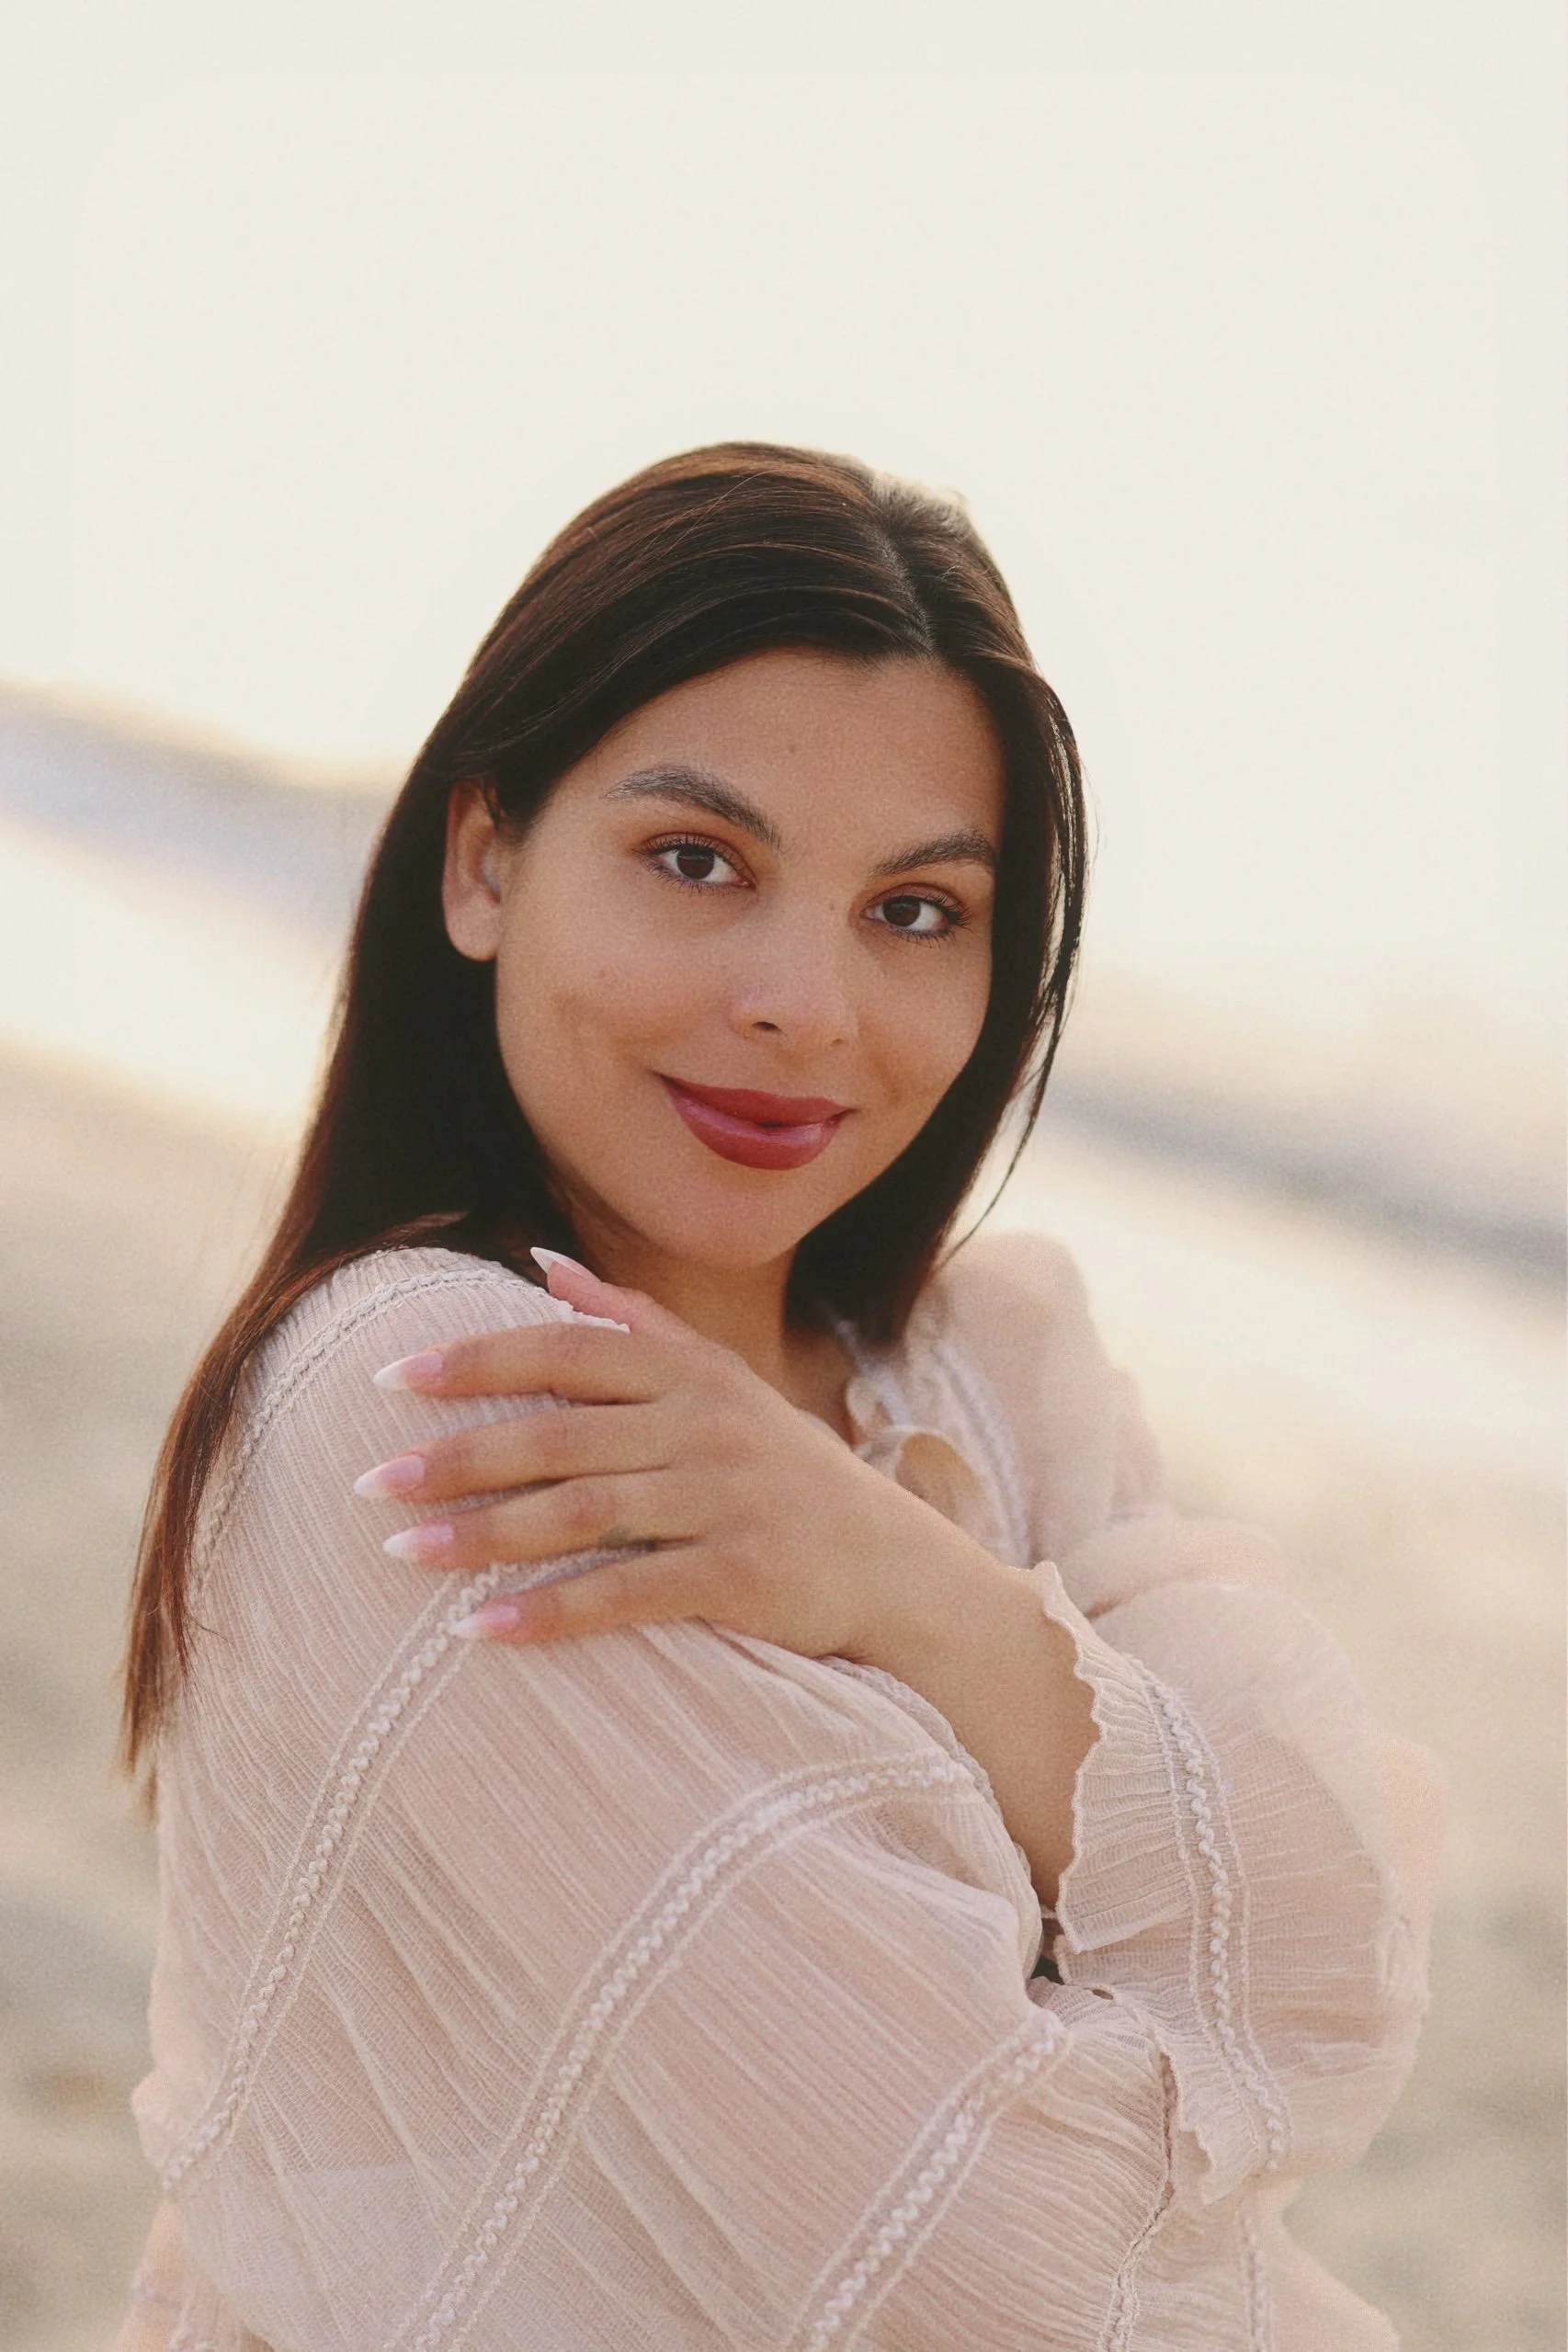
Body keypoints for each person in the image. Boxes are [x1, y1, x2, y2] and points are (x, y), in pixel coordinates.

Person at [112, 441, 1441, 2350]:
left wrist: (901, 1581)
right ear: (482, 858)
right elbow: (998, 2260)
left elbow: (1337, 1946)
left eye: (914, 910)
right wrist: (1125, 1858)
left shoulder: (995, 1361)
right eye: (694, 861)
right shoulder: (433, 1403)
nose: (804, 1005)